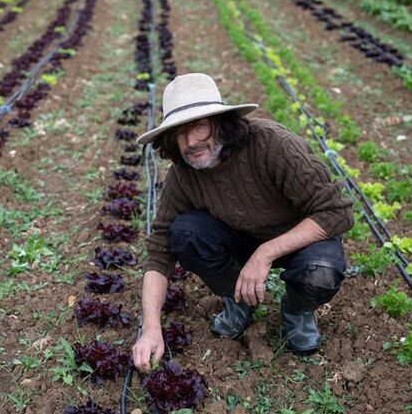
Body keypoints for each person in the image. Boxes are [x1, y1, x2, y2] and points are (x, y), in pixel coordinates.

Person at [131, 73, 354, 372]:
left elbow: (336, 212)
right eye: (179, 133)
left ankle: (298, 310)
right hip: (239, 241)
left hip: (300, 238)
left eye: (200, 125)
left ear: (221, 123)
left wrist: (265, 254)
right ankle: (238, 299)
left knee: (321, 274)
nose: (192, 141)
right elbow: (160, 250)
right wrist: (151, 329)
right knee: (184, 233)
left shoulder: (272, 144)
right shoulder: (184, 175)